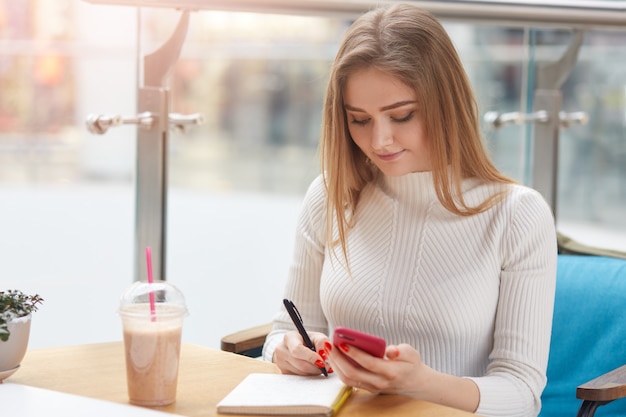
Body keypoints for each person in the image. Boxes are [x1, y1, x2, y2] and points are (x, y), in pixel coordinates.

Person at [261, 4, 557, 417]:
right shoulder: (331, 195)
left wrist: (422, 384)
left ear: (445, 104)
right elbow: (283, 331)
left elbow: (522, 396)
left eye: (401, 115)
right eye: (359, 120)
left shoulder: (518, 216)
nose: (380, 140)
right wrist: (286, 351)